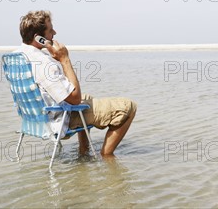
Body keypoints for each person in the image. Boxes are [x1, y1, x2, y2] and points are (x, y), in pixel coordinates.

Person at [16, 10, 137, 157]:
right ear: (39, 38)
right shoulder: (43, 63)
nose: (54, 32)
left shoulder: (18, 56)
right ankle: (107, 157)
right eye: (50, 29)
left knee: (88, 97)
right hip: (58, 121)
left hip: (34, 120)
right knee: (128, 107)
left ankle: (84, 152)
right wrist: (64, 59)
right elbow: (74, 99)